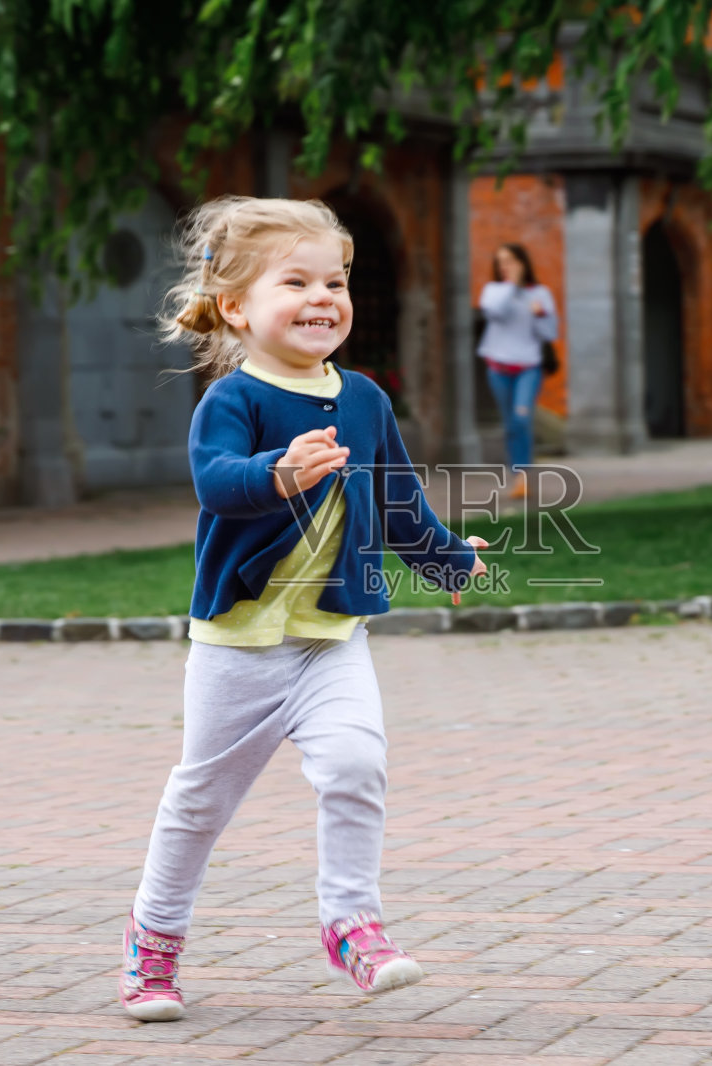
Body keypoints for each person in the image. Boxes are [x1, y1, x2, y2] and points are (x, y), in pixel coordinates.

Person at [120, 197, 488, 1022]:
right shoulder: (233, 401)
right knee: (202, 801)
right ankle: (154, 946)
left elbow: (397, 500)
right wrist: (277, 475)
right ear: (237, 307)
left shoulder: (364, 398)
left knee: (357, 766)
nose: (325, 296)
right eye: (298, 280)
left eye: (337, 279)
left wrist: (447, 559)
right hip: (238, 647)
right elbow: (215, 484)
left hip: (331, 640)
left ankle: (351, 924)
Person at [476, 243, 558, 500]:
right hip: (498, 367)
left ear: (523, 262)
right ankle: (518, 477)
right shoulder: (493, 291)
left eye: (511, 260)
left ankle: (522, 475)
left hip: (528, 368)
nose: (505, 266)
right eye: (501, 261)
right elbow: (494, 312)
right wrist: (512, 286)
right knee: (511, 424)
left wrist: (540, 313)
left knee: (522, 418)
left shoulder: (540, 293)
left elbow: (551, 333)